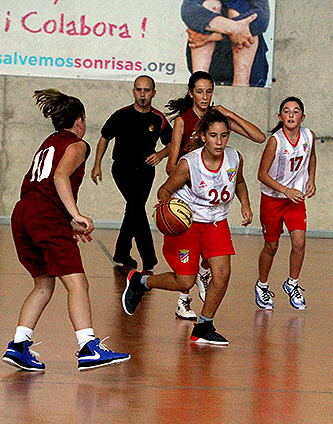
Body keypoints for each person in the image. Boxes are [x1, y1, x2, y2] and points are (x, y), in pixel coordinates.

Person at [3, 89, 130, 372]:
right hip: (45, 215)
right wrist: (76, 214)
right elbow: (59, 177)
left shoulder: (49, 142)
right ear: (80, 121)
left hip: (24, 213)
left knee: (44, 284)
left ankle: (19, 345)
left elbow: (43, 185)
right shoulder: (77, 145)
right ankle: (88, 347)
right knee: (77, 284)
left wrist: (67, 220)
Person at [122, 109, 253, 345]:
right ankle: (140, 282)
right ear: (203, 136)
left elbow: (240, 182)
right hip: (188, 224)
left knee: (222, 273)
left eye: (224, 135)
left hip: (216, 222)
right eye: (214, 136)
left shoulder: (235, 158)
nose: (219, 141)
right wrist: (167, 205)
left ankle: (204, 325)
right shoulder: (189, 164)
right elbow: (165, 189)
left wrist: (245, 204)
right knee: (185, 282)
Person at [165, 70, 264, 320]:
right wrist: (188, 174)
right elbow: (171, 164)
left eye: (209, 91)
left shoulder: (218, 122)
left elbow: (259, 137)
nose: (205, 96)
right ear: (191, 93)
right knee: (186, 271)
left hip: (214, 201)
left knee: (212, 259)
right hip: (188, 198)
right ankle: (183, 302)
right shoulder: (183, 121)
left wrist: (228, 113)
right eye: (199, 91)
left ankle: (201, 275)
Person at [90, 75, 172, 272]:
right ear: (134, 91)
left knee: (134, 210)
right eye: (138, 90)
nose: (142, 94)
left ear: (153, 92)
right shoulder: (121, 115)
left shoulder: (158, 118)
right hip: (122, 169)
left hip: (145, 170)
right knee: (136, 207)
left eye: (146, 90)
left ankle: (122, 252)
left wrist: (160, 154)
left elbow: (172, 144)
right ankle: (148, 256)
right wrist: (97, 164)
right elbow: (104, 139)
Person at [254, 96, 317, 311]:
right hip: (273, 199)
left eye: (296, 111)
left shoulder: (309, 136)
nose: (291, 114)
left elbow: (312, 157)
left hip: (295, 199)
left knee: (299, 242)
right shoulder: (275, 141)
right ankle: (262, 285)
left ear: (302, 116)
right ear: (280, 116)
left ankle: (292, 283)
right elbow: (261, 174)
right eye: (287, 111)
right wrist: (285, 190)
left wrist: (312, 179)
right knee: (271, 246)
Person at [181, 0, 270, 87]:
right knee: (209, 5)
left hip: (251, 72)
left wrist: (213, 36)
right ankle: (199, 83)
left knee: (240, 10)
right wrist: (230, 27)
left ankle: (241, 88)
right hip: (213, 64)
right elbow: (188, 10)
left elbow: (262, 18)